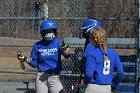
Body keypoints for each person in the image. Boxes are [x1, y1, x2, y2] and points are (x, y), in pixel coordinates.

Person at [17, 19, 70, 93]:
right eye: (48, 31)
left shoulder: (59, 43)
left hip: (54, 77)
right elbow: (34, 64)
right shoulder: (37, 45)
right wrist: (25, 59)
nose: (50, 33)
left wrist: (66, 51)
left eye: (52, 31)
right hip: (41, 77)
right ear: (43, 32)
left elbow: (67, 56)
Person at [83, 27, 124, 93]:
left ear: (93, 40)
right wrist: (113, 86)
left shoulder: (92, 53)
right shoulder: (113, 53)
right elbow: (120, 72)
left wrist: (85, 81)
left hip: (93, 87)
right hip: (107, 88)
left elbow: (89, 74)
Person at [77, 19, 102, 93]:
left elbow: (88, 63)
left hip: (92, 79)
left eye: (85, 30)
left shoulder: (91, 45)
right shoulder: (90, 41)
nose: (84, 33)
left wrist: (84, 79)